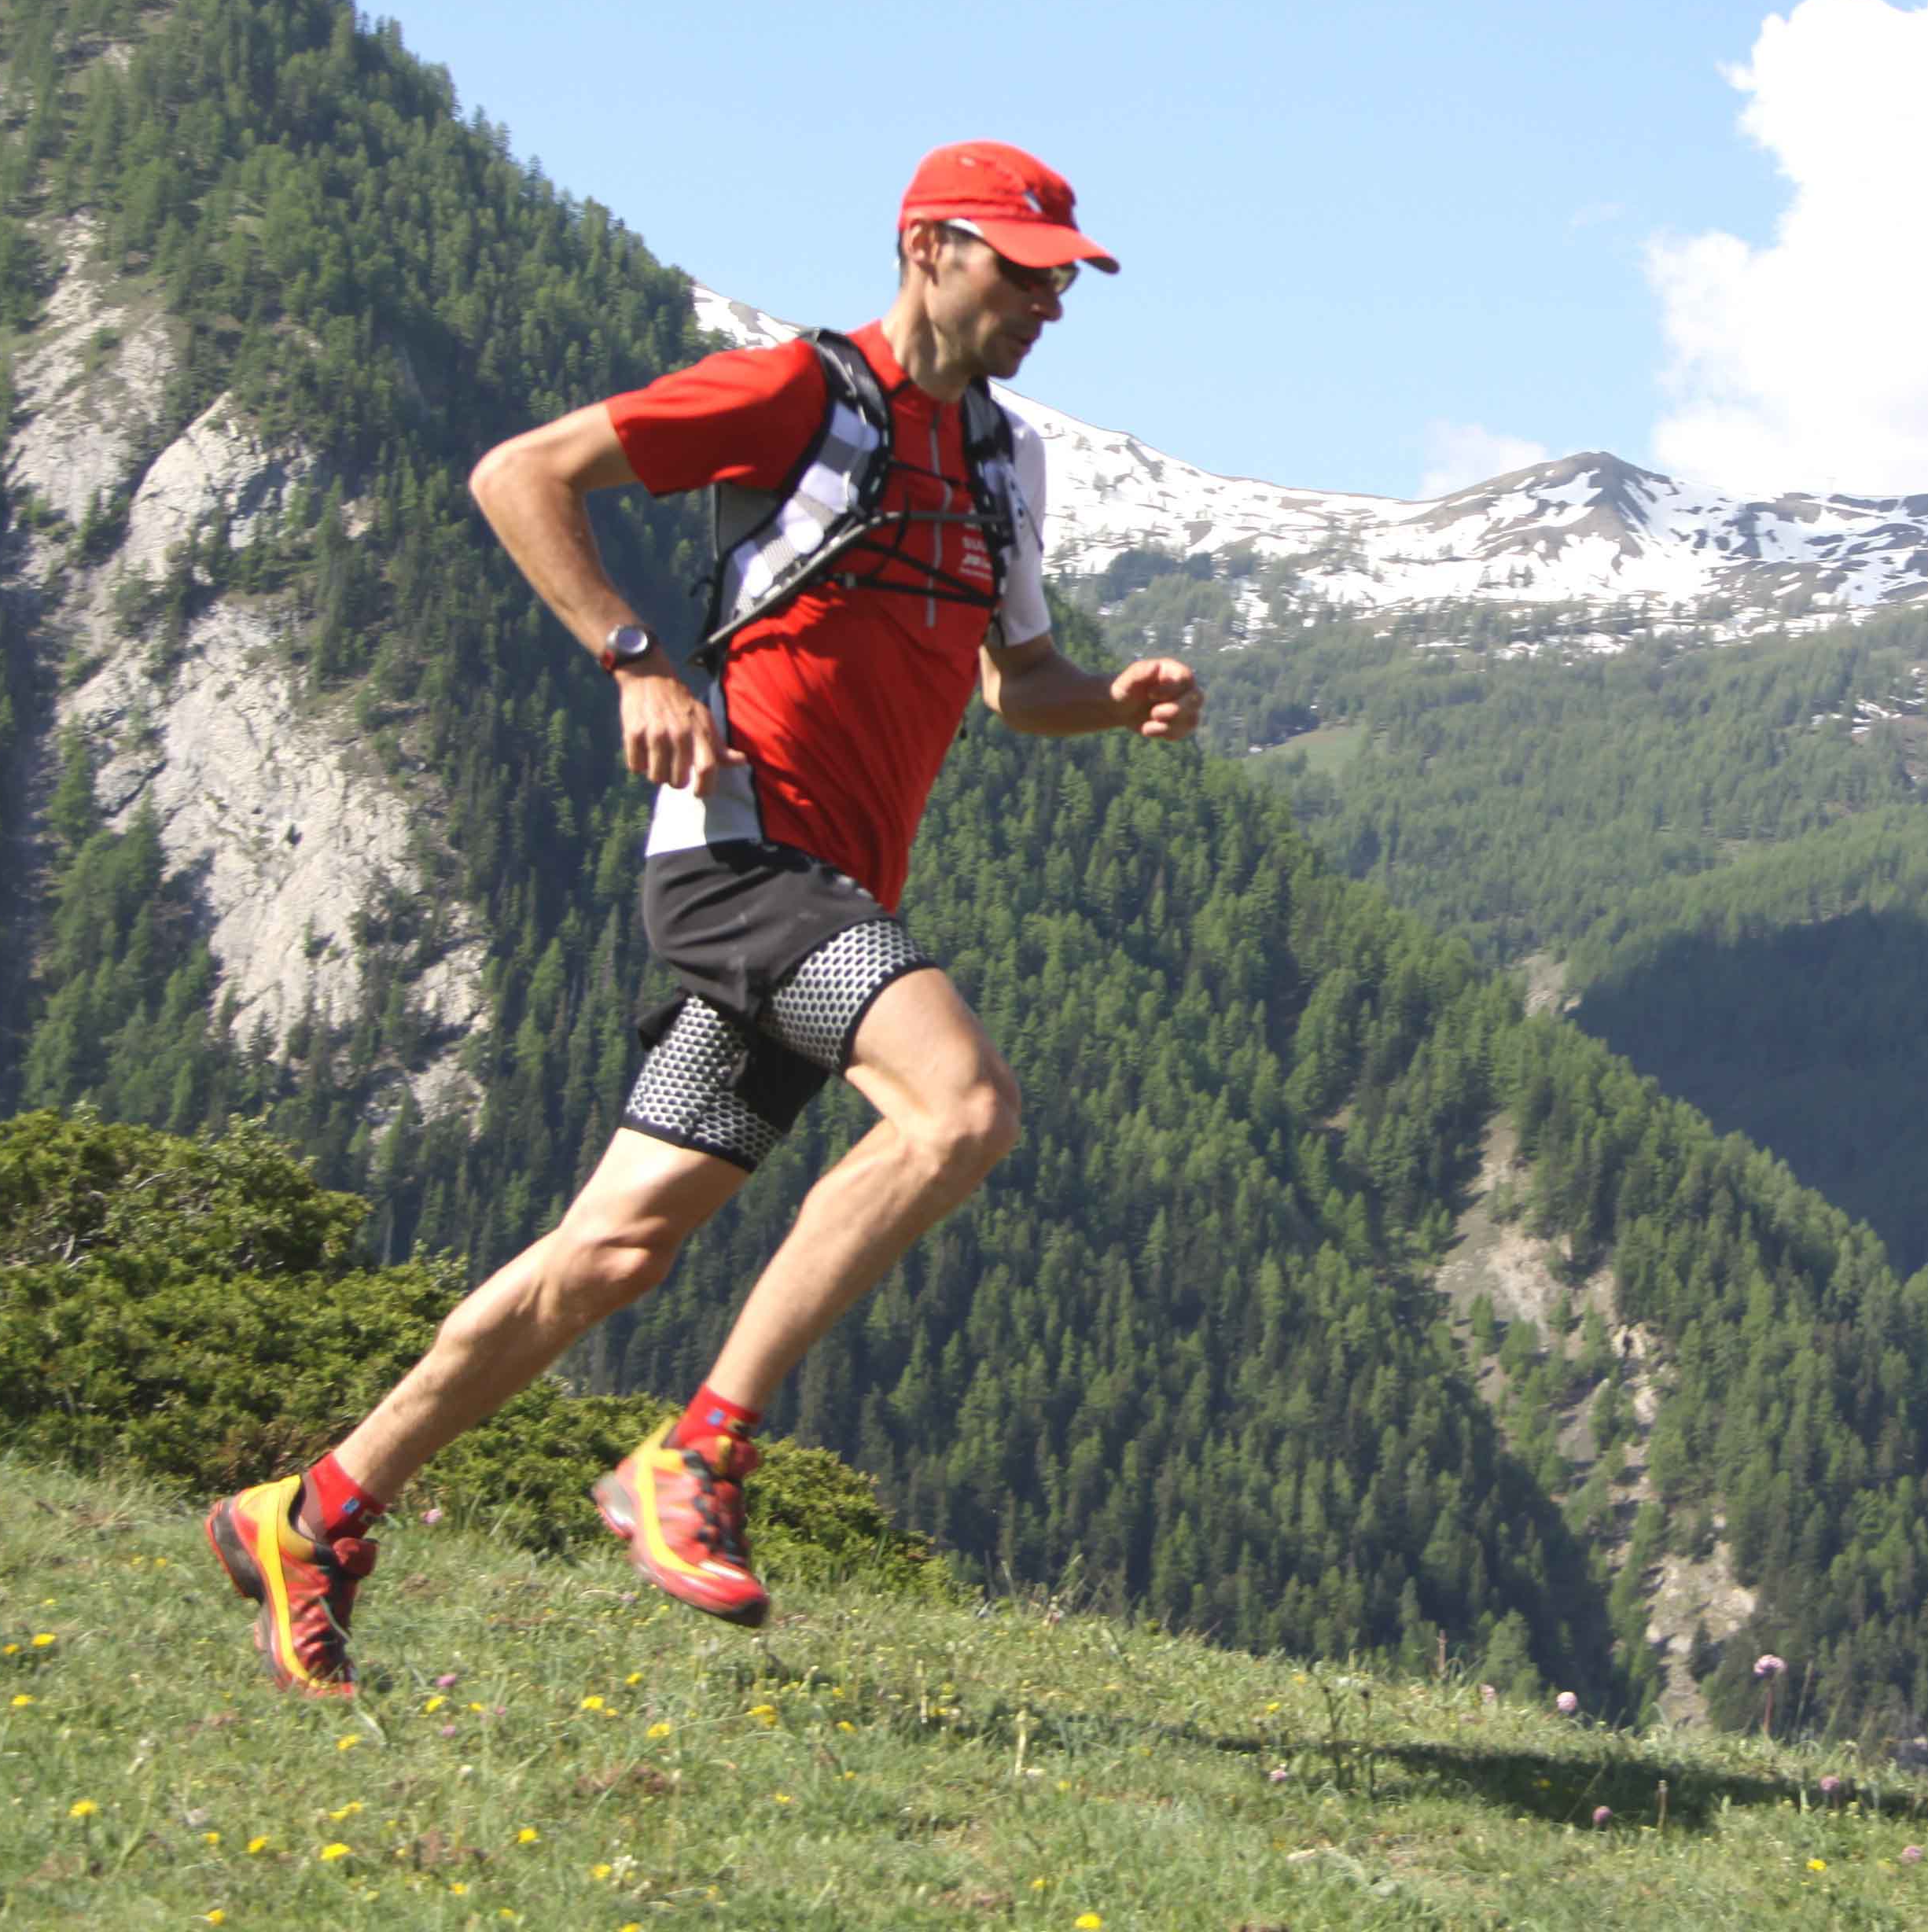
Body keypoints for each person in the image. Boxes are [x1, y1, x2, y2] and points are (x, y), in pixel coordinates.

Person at [205, 141, 1202, 1695]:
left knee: (605, 1256)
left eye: (1062, 278)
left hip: (831, 895)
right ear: (930, 247)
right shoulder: (797, 395)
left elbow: (1020, 687)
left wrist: (1113, 702)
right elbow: (515, 473)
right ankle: (696, 1457)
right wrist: (635, 659)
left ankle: (315, 1512)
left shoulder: (1010, 463)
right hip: (743, 867)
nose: (1047, 303)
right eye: (1023, 269)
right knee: (963, 1111)